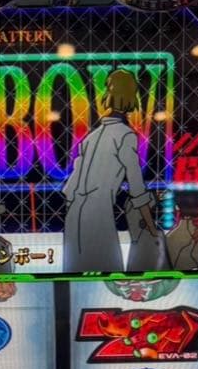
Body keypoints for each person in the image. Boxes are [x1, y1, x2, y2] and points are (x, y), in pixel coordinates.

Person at [61, 68, 163, 275]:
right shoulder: (125, 135)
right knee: (108, 277)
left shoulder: (91, 138)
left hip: (74, 215)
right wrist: (152, 228)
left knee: (75, 277)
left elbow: (70, 189)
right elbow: (136, 188)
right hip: (99, 214)